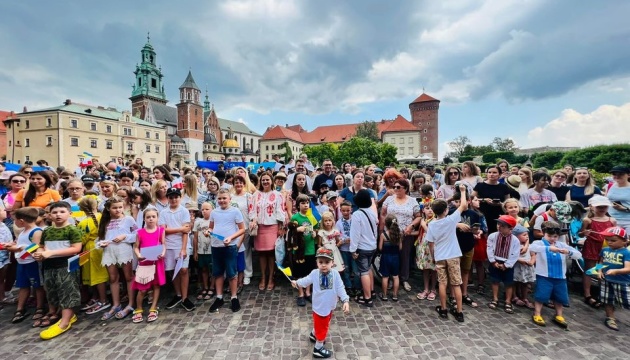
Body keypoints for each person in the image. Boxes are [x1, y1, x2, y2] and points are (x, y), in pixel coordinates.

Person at [32, 201, 82, 340]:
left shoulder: (72, 229)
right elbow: (41, 246)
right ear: (49, 215)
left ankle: (65, 322)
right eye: (54, 212)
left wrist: (51, 253)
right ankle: (57, 313)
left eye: (62, 212)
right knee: (52, 290)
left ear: (69, 214)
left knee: (67, 291)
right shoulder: (47, 231)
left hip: (66, 266)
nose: (58, 215)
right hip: (49, 266)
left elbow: (76, 248)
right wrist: (39, 253)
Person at [291, 247, 350, 359]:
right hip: (319, 307)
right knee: (323, 327)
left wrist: (345, 300)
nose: (323, 265)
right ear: (317, 263)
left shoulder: (336, 274)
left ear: (332, 263)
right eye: (321, 262)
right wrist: (297, 283)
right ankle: (318, 348)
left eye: (327, 262)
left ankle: (314, 334)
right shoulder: (314, 273)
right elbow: (305, 280)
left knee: (322, 322)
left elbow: (340, 287)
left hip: (330, 305)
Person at [426, 183, 468, 322]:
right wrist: (462, 191)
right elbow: (463, 206)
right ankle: (459, 311)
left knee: (442, 283)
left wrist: (433, 257)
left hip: (440, 256)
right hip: (453, 255)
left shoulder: (431, 224)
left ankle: (443, 308)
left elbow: (431, 243)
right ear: (445, 210)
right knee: (456, 284)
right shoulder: (451, 220)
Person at [530, 221, 582, 328]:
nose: (552, 239)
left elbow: (578, 254)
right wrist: (548, 248)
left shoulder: (562, 245)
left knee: (559, 297)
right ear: (544, 233)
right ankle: (537, 313)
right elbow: (532, 248)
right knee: (541, 295)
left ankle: (559, 315)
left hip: (560, 276)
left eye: (555, 236)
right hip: (544, 275)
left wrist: (568, 252)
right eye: (550, 236)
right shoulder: (538, 243)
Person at [98, 197, 138, 321]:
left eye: (120, 207)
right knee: (113, 278)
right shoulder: (105, 221)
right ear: (108, 208)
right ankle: (116, 304)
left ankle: (131, 303)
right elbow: (99, 238)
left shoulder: (128, 219)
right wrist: (100, 244)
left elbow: (137, 234)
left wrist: (124, 236)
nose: (118, 210)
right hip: (109, 251)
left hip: (124, 249)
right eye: (114, 208)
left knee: (128, 276)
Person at [207, 189, 246, 313]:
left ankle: (234, 297)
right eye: (220, 198)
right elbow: (211, 227)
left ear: (230, 199)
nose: (222, 201)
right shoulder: (214, 212)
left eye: (224, 198)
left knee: (231, 273)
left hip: (230, 246)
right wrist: (208, 232)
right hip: (216, 245)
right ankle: (219, 297)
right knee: (217, 272)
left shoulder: (235, 211)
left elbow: (242, 229)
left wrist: (231, 237)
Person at [380, 178, 421, 292]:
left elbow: (418, 216)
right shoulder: (389, 199)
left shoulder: (412, 201)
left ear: (406, 188)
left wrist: (411, 226)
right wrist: (382, 230)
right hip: (390, 234)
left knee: (405, 255)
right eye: (394, 187)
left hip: (405, 233)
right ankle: (391, 277)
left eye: (398, 187)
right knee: (391, 256)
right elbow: (383, 214)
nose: (396, 189)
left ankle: (404, 278)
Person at [6, 207, 45, 326]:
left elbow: (36, 246)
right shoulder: (23, 231)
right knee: (23, 285)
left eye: (15, 220)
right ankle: (20, 308)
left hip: (32, 262)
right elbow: (19, 242)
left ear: (21, 221)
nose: (15, 223)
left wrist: (18, 248)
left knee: (38, 286)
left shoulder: (36, 231)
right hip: (22, 262)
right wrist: (13, 245)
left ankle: (40, 307)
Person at [158, 188, 195, 311]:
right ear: (168, 198)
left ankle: (185, 297)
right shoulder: (163, 212)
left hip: (181, 245)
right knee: (172, 271)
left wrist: (183, 249)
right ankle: (178, 294)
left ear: (179, 197)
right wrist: (180, 229)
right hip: (168, 246)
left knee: (183, 270)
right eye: (171, 197)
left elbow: (186, 232)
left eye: (176, 197)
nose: (173, 199)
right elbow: (163, 230)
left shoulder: (184, 211)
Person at [579, 195, 616, 308]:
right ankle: (587, 294)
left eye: (605, 206)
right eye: (599, 206)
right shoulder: (588, 220)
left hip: (605, 248)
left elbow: (615, 234)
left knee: (602, 269)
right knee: (590, 270)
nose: (602, 209)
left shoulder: (612, 220)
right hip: (592, 246)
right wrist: (585, 233)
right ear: (592, 207)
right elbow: (580, 233)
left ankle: (603, 293)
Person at [251, 172, 286, 291]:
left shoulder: (277, 195)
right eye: (263, 180)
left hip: (272, 226)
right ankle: (263, 277)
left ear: (272, 181)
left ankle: (271, 277)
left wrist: (281, 228)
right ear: (260, 182)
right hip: (260, 227)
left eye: (267, 180)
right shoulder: (256, 194)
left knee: (271, 254)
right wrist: (254, 220)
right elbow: (252, 209)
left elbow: (281, 211)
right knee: (261, 253)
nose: (265, 182)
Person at [131, 208, 165, 323]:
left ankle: (153, 307)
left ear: (157, 218)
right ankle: (139, 308)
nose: (151, 219)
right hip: (144, 262)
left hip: (156, 262)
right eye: (148, 217)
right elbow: (136, 246)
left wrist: (163, 253)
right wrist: (138, 255)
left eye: (153, 217)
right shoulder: (140, 232)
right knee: (142, 289)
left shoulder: (160, 230)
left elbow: (163, 244)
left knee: (156, 286)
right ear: (144, 218)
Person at [77, 197, 110, 315]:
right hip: (101, 246)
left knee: (97, 276)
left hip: (91, 248)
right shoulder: (102, 216)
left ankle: (103, 300)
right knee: (98, 274)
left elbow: (82, 239)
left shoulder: (84, 222)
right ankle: (98, 298)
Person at [596, 226, 630, 331]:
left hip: (622, 281)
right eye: (607, 240)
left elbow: (628, 268)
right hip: (607, 279)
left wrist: (616, 271)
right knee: (607, 299)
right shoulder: (605, 250)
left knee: (627, 301)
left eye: (613, 240)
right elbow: (600, 262)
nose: (610, 243)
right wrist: (599, 271)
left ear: (624, 241)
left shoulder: (626, 253)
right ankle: (610, 317)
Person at [349, 189, 378, 307]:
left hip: (362, 247)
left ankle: (367, 298)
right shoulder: (372, 212)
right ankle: (371, 291)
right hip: (372, 246)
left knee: (363, 272)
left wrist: (353, 250)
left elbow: (355, 234)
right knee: (369, 268)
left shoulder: (357, 214)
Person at [291, 194, 319, 307]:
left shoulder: (311, 216)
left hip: (310, 248)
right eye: (303, 203)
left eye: (307, 203)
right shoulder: (295, 217)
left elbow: (317, 229)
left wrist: (315, 233)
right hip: (299, 250)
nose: (305, 205)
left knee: (309, 272)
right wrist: (297, 229)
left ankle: (308, 292)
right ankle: (301, 293)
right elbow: (290, 232)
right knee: (300, 272)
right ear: (298, 205)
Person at [472, 165, 511, 232]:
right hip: (483, 213)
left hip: (498, 213)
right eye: (489, 172)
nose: (491, 174)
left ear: (500, 174)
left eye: (494, 172)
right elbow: (471, 199)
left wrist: (500, 203)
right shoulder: (480, 185)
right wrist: (484, 200)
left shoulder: (504, 187)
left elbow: (508, 202)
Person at [378, 214, 403, 301]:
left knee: (385, 277)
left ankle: (384, 295)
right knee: (396, 276)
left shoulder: (383, 235)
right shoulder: (399, 234)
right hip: (395, 257)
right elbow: (400, 248)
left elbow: (380, 248)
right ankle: (395, 295)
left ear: (385, 224)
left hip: (385, 257)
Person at [336, 201, 359, 295]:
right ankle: (348, 286)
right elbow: (337, 236)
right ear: (340, 211)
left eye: (348, 210)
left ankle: (357, 287)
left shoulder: (355, 220)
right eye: (343, 211)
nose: (346, 212)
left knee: (356, 270)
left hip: (354, 249)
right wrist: (344, 240)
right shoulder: (339, 223)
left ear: (351, 210)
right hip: (344, 249)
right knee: (346, 269)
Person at [193, 202, 215, 300]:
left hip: (212, 250)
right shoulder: (198, 222)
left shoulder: (214, 221)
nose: (204, 211)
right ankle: (205, 287)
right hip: (202, 251)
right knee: (204, 269)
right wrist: (195, 251)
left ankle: (212, 287)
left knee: (213, 269)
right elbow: (195, 238)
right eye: (202, 209)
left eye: (207, 209)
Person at [415, 205, 437, 301]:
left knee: (433, 268)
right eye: (427, 208)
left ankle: (433, 289)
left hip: (432, 246)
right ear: (423, 210)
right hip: (423, 245)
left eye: (432, 208)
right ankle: (426, 289)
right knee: (425, 268)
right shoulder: (423, 220)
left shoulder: (435, 221)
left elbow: (433, 234)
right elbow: (419, 232)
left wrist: (424, 225)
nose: (430, 210)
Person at [512, 225, 536, 309]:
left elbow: (533, 255)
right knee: (514, 282)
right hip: (517, 267)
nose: (526, 237)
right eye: (524, 235)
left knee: (525, 283)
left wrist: (532, 262)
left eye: (527, 235)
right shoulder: (514, 245)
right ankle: (514, 296)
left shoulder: (530, 246)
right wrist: (519, 260)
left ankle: (524, 297)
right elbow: (511, 256)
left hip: (527, 268)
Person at [607, 165, 630, 233]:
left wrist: (625, 209)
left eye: (621, 174)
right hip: (612, 219)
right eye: (614, 174)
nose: (617, 176)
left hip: (628, 221)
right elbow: (607, 200)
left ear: (628, 175)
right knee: (612, 242)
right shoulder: (610, 185)